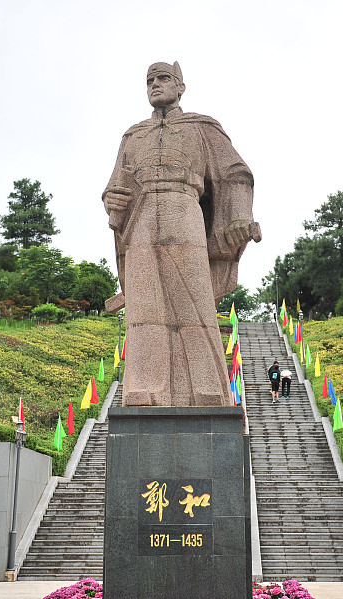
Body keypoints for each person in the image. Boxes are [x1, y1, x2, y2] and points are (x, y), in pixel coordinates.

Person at [103, 61, 260, 407]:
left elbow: (236, 174)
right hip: (141, 218)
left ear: (180, 87)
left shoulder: (202, 127)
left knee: (194, 301)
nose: (155, 85)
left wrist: (239, 216)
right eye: (150, 80)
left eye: (163, 79)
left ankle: (208, 390)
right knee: (144, 308)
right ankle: (145, 389)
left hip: (183, 209)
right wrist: (111, 199)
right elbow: (115, 185)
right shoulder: (132, 136)